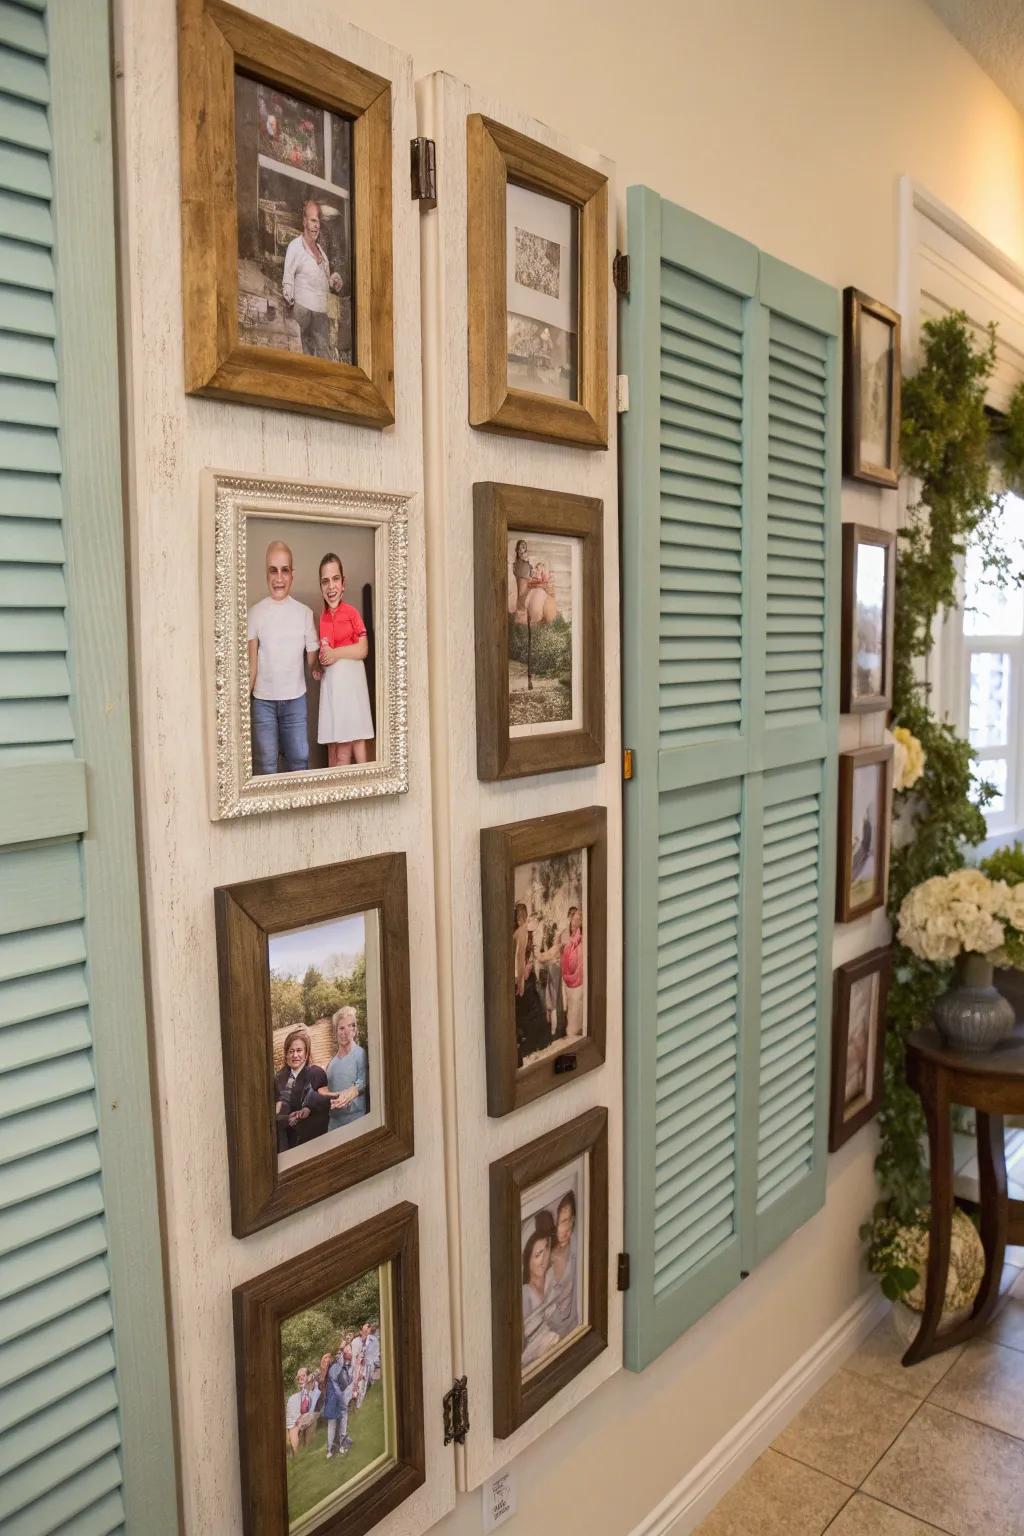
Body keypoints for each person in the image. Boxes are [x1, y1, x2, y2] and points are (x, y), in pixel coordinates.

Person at [247, 540, 319, 775]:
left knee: (299, 762)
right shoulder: (255, 613)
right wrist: (240, 705)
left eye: (284, 570)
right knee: (266, 766)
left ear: (292, 574)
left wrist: (324, 661)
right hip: (263, 704)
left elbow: (314, 664)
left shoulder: (305, 614)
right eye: (273, 570)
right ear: (266, 573)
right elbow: (252, 666)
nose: (279, 578)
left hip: (295, 702)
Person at [312, 553, 374, 767]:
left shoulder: (352, 613)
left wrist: (336, 654)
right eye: (325, 581)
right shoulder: (322, 618)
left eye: (335, 579)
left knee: (358, 745)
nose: (331, 587)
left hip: (353, 687)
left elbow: (363, 650)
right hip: (333, 689)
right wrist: (319, 666)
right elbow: (325, 652)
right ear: (321, 586)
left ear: (343, 583)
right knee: (337, 751)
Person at [282, 198, 343, 359]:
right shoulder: (295, 246)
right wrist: (289, 300)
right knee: (305, 357)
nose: (317, 226)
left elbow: (327, 281)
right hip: (304, 311)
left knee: (324, 357)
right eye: (313, 221)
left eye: (318, 222)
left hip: (321, 314)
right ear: (304, 221)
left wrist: (334, 281)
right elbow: (288, 277)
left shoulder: (321, 251)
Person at [274, 1029, 330, 1153]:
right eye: (291, 1051)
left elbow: (325, 1103)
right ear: (286, 1054)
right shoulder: (279, 1078)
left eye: (299, 1050)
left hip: (311, 1141)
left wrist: (308, 1109)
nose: (295, 1055)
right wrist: (286, 1118)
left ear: (306, 1053)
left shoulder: (316, 1073)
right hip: (287, 1143)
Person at [513, 902, 548, 1062]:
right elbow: (520, 957)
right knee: (530, 1011)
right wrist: (522, 977)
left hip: (524, 978)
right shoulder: (521, 932)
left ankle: (532, 1044)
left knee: (527, 1012)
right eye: (523, 916)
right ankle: (534, 1045)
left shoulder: (520, 932)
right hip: (524, 978)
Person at [325, 1007, 368, 1132]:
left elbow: (363, 1082)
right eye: (341, 1028)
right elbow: (327, 1093)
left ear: (355, 1030)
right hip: (333, 1126)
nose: (346, 1032)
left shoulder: (361, 1054)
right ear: (336, 1031)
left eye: (350, 1026)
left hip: (356, 1122)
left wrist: (348, 1095)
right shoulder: (331, 1064)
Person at [521, 1227, 558, 1369]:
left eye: (546, 1251)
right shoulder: (525, 1294)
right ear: (528, 1260)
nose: (543, 1260)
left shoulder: (552, 1278)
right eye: (537, 1255)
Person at [547, 1191, 579, 1338]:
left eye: (570, 1220)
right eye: (562, 1222)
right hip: (552, 1332)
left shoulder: (577, 1247)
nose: (567, 1228)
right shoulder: (545, 1259)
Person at [324, 1344, 353, 1458]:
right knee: (341, 1423)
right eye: (340, 1353)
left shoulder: (328, 1369)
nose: (341, 1355)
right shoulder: (338, 1367)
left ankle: (330, 1450)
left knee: (331, 1425)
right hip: (338, 1399)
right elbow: (345, 1383)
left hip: (331, 1400)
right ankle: (341, 1446)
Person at [561, 906, 585, 1039]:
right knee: (571, 1009)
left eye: (578, 919)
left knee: (576, 1010)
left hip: (578, 982)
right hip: (568, 981)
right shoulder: (567, 937)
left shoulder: (582, 938)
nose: (575, 922)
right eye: (574, 919)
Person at [284, 1367, 318, 1456]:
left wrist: (312, 1376)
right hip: (300, 1423)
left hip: (314, 1417)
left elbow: (319, 1371)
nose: (301, 1379)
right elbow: (291, 1425)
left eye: (303, 1376)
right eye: (298, 1377)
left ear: (309, 1376)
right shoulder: (294, 1398)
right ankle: (297, 1454)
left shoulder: (315, 1388)